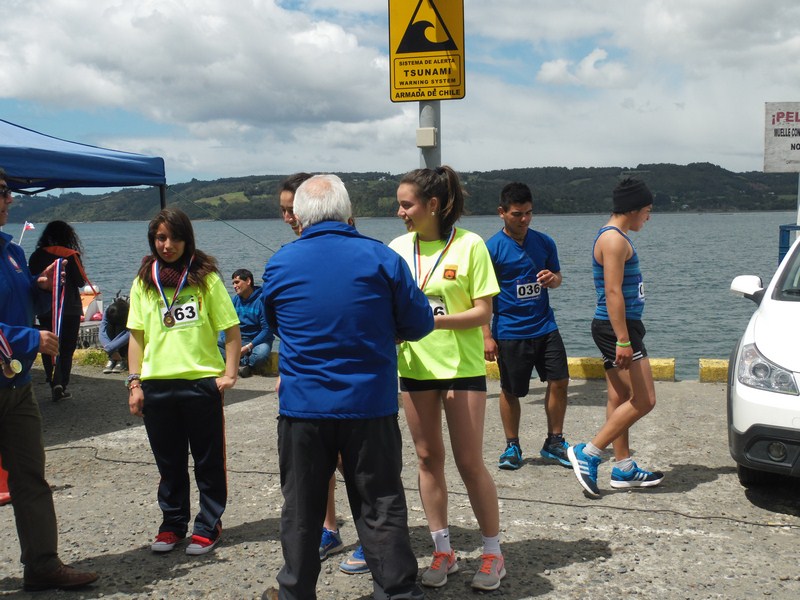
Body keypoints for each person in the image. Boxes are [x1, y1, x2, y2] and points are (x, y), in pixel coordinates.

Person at [260, 174, 432, 600]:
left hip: (303, 407)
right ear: (348, 212)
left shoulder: (281, 263)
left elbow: (275, 323)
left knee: (301, 509)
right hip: (369, 404)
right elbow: (419, 323)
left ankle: (295, 592)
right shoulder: (382, 258)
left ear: (300, 216)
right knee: (380, 503)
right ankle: (396, 592)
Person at [389, 165, 506, 592]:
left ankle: (492, 552)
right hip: (414, 367)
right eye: (399, 205)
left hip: (461, 368)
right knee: (426, 459)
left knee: (469, 462)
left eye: (407, 204)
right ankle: (443, 550)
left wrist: (431, 323)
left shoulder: (471, 245)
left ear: (433, 205)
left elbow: (482, 311)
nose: (400, 212)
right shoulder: (397, 249)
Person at [0, 171, 99, 591]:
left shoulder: (11, 251)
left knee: (31, 476)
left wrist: (41, 287)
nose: (9, 199)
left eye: (8, 192)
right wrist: (31, 339)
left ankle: (42, 564)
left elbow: (24, 301)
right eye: (2, 192)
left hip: (16, 383)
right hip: (13, 367)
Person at [126, 208, 241, 555]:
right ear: (153, 240)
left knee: (207, 461)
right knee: (169, 463)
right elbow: (136, 336)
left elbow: (231, 329)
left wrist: (229, 374)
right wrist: (134, 383)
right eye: (161, 238)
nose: (168, 245)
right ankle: (172, 525)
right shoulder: (144, 281)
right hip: (157, 384)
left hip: (200, 383)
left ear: (187, 239)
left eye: (175, 238)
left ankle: (208, 525)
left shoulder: (206, 277)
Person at [278, 172, 365, 571]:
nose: (288, 218)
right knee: (318, 462)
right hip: (304, 382)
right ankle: (329, 528)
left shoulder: (351, 248)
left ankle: (368, 535)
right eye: (283, 211)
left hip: (349, 384)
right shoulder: (289, 256)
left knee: (349, 460)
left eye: (291, 210)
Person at [567, 178, 664, 498]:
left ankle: (623, 468)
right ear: (633, 209)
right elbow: (612, 291)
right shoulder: (613, 240)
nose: (648, 217)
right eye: (647, 210)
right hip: (618, 329)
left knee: (620, 397)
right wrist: (623, 338)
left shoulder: (615, 237)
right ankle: (589, 452)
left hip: (619, 327)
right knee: (644, 399)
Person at [483, 182, 571, 471]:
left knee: (560, 380)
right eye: (517, 214)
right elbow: (481, 295)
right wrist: (486, 336)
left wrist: (552, 280)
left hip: (545, 325)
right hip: (510, 331)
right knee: (511, 391)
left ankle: (554, 441)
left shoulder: (544, 242)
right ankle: (512, 446)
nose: (524, 220)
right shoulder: (491, 249)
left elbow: (558, 277)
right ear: (502, 212)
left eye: (529, 213)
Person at [28, 220, 88, 401]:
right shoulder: (71, 255)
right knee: (67, 349)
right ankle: (62, 384)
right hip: (70, 309)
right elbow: (81, 282)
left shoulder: (36, 256)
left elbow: (31, 280)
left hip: (46, 309)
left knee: (48, 346)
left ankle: (53, 382)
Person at [218, 269, 274, 378]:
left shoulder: (262, 301)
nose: (234, 286)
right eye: (233, 283)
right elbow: (227, 324)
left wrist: (248, 347)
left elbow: (267, 330)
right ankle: (243, 364)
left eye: (237, 282)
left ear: (248, 281)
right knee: (215, 345)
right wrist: (229, 342)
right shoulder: (235, 300)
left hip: (257, 341)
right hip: (239, 339)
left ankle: (246, 364)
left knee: (261, 354)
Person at [99, 295, 130, 374]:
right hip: (112, 346)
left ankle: (122, 358)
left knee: (120, 328)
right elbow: (102, 331)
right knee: (110, 326)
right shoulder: (109, 309)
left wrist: (110, 348)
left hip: (125, 327)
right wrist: (111, 350)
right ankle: (114, 358)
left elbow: (129, 333)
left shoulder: (131, 311)